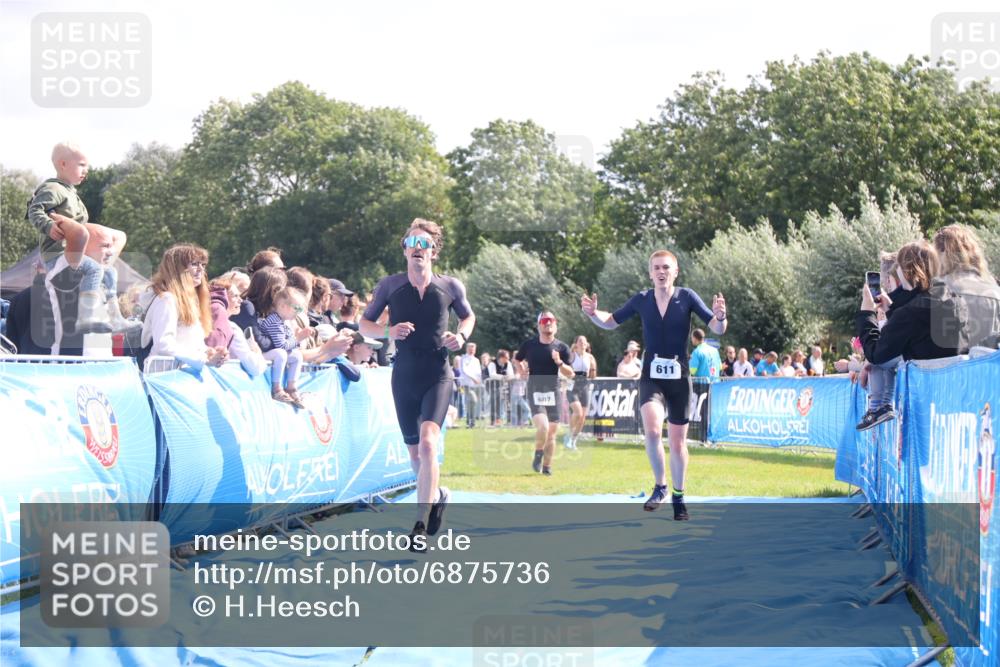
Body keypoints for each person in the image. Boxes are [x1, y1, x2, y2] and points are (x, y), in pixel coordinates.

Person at [582, 249, 727, 518]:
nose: (661, 272)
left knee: (678, 442)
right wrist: (592, 314)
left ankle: (679, 496)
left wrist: (720, 317)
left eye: (666, 268)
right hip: (652, 376)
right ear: (650, 273)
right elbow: (611, 322)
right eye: (656, 268)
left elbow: (718, 329)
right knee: (650, 428)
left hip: (680, 380)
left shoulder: (688, 297)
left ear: (675, 271)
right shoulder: (642, 300)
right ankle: (660, 486)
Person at [359, 219, 474, 551]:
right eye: (413, 243)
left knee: (427, 445)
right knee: (415, 453)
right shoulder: (389, 286)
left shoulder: (450, 286)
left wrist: (461, 335)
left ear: (433, 252)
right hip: (404, 377)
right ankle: (437, 495)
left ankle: (420, 526)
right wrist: (388, 332)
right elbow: (364, 323)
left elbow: (468, 316)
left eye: (425, 244)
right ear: (405, 248)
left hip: (438, 375)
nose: (419, 249)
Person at [855, 240, 959, 429]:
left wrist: (866, 313)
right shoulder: (952, 298)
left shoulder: (911, 312)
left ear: (906, 271)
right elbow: (918, 333)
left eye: (899, 267)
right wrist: (892, 310)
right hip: (956, 397)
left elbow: (877, 354)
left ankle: (878, 407)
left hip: (928, 405)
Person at [26, 143, 122, 334]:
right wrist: (48, 225)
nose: (86, 170)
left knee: (109, 272)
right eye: (81, 165)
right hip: (57, 253)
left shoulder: (70, 192)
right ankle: (86, 317)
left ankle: (116, 318)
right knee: (94, 269)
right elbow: (34, 209)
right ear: (63, 164)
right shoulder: (53, 188)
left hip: (71, 252)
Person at [140, 244, 228, 370]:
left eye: (203, 265)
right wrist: (202, 360)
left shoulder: (189, 301)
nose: (201, 270)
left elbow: (187, 342)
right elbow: (163, 344)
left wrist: (208, 352)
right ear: (177, 268)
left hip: (181, 375)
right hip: (166, 376)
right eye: (194, 264)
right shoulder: (167, 299)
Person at [515, 311, 574, 475]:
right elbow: (517, 359)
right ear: (539, 325)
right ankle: (538, 453)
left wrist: (559, 362)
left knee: (552, 434)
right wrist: (521, 370)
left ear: (556, 325)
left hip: (553, 391)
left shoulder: (562, 347)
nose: (548, 323)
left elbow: (570, 373)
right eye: (544, 320)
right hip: (535, 389)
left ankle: (547, 467)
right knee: (543, 427)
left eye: (551, 321)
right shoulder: (529, 345)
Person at [931, 224, 1000, 351]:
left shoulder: (939, 289)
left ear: (942, 253)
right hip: (989, 367)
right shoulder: (995, 290)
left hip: (952, 368)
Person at [258, 286, 308, 407]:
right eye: (296, 308)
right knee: (281, 353)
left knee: (297, 355)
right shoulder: (275, 321)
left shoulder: (284, 321)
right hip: (262, 353)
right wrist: (298, 338)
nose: (298, 312)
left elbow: (290, 343)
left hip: (273, 352)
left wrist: (297, 339)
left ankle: (291, 388)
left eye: (300, 309)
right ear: (282, 306)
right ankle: (276, 389)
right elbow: (281, 345)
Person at [206, 276, 266, 376]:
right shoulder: (232, 328)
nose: (241, 300)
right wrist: (257, 352)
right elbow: (256, 368)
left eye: (239, 295)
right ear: (223, 298)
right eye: (235, 296)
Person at [564, 335, 595, 449]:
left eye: (584, 341)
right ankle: (568, 435)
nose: (582, 343)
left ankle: (573, 441)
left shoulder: (590, 357)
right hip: (573, 387)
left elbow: (592, 375)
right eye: (580, 341)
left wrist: (593, 370)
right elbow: (563, 369)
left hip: (584, 387)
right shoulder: (572, 356)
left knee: (582, 418)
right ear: (576, 344)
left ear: (587, 344)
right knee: (578, 413)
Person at [458, 342, 483, 428]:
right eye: (470, 348)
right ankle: (470, 421)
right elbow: (465, 370)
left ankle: (471, 422)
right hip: (466, 384)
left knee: (472, 403)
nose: (472, 350)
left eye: (473, 348)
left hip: (475, 385)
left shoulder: (476, 360)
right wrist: (473, 378)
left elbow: (479, 372)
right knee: (473, 400)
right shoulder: (463, 358)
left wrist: (478, 380)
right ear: (467, 349)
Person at [487, 349, 516, 425]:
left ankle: (509, 421)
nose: (508, 359)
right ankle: (494, 420)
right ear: (501, 357)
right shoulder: (492, 364)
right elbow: (492, 374)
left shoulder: (508, 363)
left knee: (508, 403)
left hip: (506, 385)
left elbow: (511, 374)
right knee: (495, 403)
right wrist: (503, 377)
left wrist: (508, 377)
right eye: (507, 357)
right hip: (494, 386)